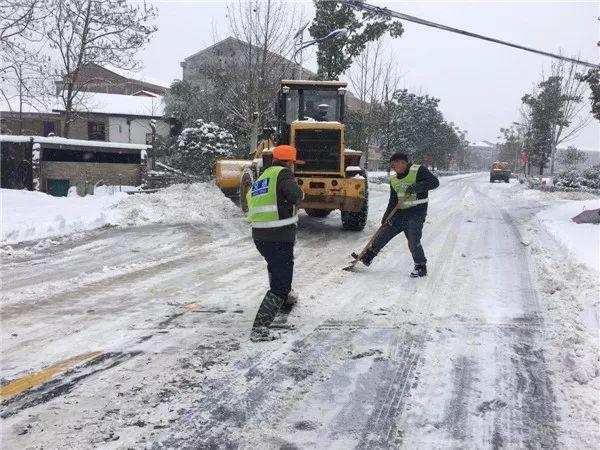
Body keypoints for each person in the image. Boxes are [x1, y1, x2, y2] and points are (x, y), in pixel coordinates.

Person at [247, 145, 304, 330]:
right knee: (281, 282)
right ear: (289, 162)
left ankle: (284, 300)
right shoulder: (284, 174)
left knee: (276, 268)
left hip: (260, 235)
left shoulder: (263, 177)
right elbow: (295, 195)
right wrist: (301, 193)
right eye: (293, 163)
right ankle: (260, 328)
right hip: (278, 234)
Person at [359, 152, 439, 277]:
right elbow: (393, 201)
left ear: (402, 162)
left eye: (394, 165)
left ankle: (420, 266)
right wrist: (386, 217)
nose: (392, 168)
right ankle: (367, 257)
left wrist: (417, 187)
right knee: (384, 233)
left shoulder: (418, 170)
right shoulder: (394, 180)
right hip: (400, 212)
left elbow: (434, 182)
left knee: (413, 240)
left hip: (416, 212)